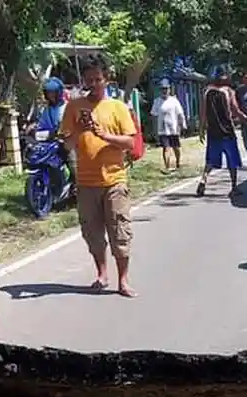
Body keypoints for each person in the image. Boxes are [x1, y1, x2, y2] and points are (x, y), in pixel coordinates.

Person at [58, 53, 140, 297]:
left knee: (120, 231)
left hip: (115, 180)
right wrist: (80, 129)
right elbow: (67, 145)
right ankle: (101, 273)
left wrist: (105, 136)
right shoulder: (74, 107)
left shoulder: (118, 107)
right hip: (86, 183)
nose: (93, 84)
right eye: (89, 80)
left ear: (107, 79)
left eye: (97, 79)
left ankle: (123, 280)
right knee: (92, 234)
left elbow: (130, 143)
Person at [197, 68, 247, 197]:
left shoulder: (207, 91)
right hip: (227, 131)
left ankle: (203, 180)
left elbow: (202, 112)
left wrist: (201, 129)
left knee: (210, 159)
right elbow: (235, 110)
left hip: (213, 132)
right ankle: (234, 187)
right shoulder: (229, 91)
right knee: (232, 160)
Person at [150, 79, 186, 172]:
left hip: (174, 129)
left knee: (176, 148)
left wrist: (183, 124)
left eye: (166, 89)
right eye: (163, 89)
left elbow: (180, 113)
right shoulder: (157, 101)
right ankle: (167, 167)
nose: (164, 91)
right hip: (162, 129)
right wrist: (154, 130)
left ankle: (178, 163)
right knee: (166, 148)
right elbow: (154, 115)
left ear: (169, 90)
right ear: (160, 90)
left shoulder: (174, 101)